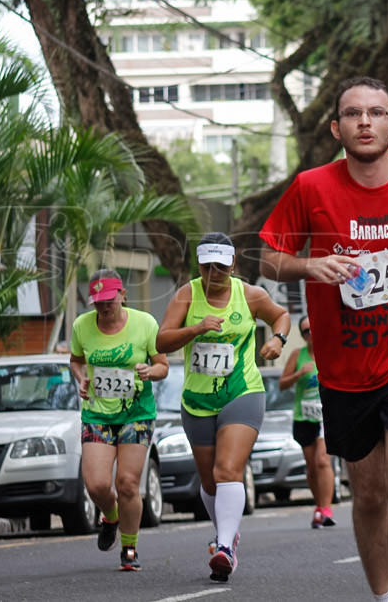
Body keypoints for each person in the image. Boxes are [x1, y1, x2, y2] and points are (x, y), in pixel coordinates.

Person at [259, 76, 388, 602]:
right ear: (336, 127)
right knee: (370, 492)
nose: (365, 122)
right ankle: (382, 596)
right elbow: (270, 259)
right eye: (353, 113)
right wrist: (313, 265)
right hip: (344, 365)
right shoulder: (310, 187)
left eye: (377, 113)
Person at [157, 232, 290, 583]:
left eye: (221, 265)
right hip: (198, 398)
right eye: (206, 265)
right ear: (198, 264)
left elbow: (281, 317)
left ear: (233, 264)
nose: (214, 272)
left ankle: (226, 548)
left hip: (242, 391)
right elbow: (161, 339)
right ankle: (227, 534)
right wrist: (196, 328)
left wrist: (278, 339)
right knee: (209, 479)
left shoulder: (251, 295)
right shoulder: (188, 294)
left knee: (227, 469)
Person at [69, 269, 169, 572]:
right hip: (98, 413)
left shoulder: (145, 324)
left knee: (127, 483)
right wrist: (81, 378)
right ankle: (110, 516)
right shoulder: (81, 326)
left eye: (109, 300)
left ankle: (129, 546)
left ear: (122, 295)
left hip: (136, 413)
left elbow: (162, 365)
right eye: (97, 302)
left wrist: (149, 372)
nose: (103, 307)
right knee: (97, 484)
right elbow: (76, 360)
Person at [278, 315, 337, 529]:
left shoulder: (330, 352)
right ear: (302, 336)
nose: (311, 334)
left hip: (326, 415)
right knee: (312, 466)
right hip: (304, 415)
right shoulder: (298, 355)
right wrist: (297, 375)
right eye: (306, 331)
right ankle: (318, 506)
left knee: (323, 460)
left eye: (313, 329)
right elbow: (282, 384)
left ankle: (327, 508)